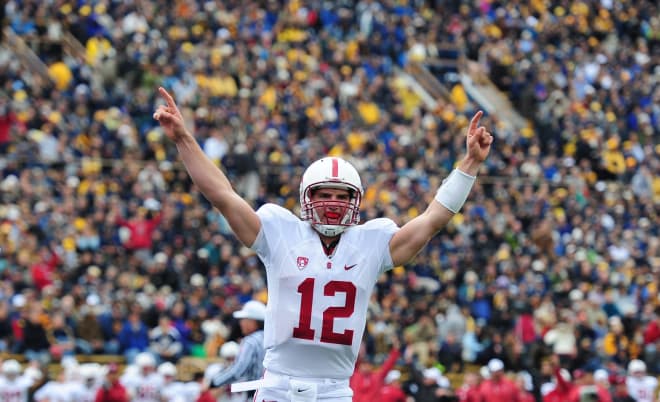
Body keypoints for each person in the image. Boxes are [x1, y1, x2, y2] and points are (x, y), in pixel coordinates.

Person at [153, 86, 493, 401]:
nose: (332, 202)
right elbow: (222, 195)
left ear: (356, 201)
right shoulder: (279, 231)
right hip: (278, 386)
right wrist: (184, 138)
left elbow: (433, 218)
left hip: (334, 391)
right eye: (324, 194)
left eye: (341, 195)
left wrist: (469, 165)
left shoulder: (372, 243)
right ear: (306, 197)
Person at [208, 300, 267, 401]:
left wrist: (214, 382)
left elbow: (237, 371)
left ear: (253, 321)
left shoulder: (251, 340)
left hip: (256, 394)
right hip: (272, 393)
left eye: (243, 319)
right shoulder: (270, 337)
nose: (241, 323)